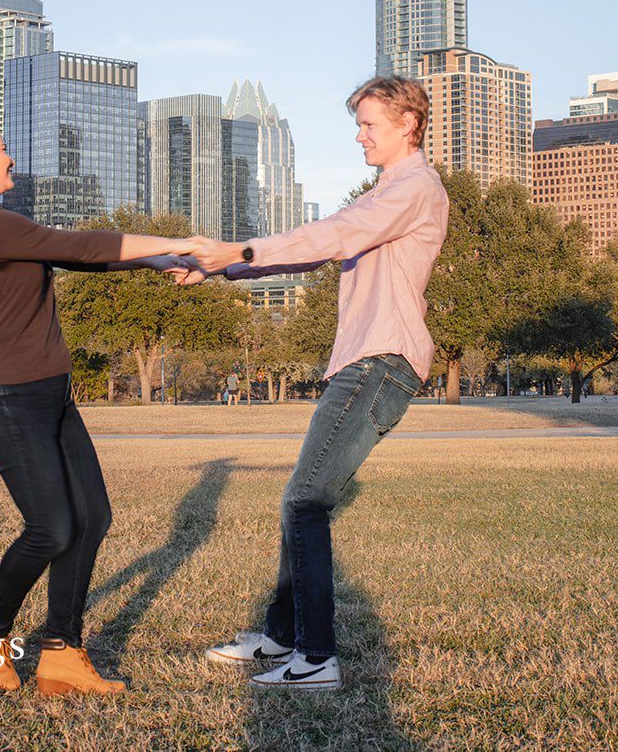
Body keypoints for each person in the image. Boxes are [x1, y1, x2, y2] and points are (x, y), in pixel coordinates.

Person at [0, 120, 202, 696]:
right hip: (5, 398)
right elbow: (80, 244)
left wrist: (154, 262)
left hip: (48, 393)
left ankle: (62, 654)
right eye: (2, 150)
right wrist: (180, 244)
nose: (10, 159)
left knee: (91, 518)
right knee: (52, 528)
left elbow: (76, 257)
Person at [184, 76, 448, 691]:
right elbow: (316, 249)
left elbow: (328, 236)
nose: (360, 136)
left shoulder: (413, 188)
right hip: (367, 361)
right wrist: (225, 269)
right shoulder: (390, 191)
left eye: (369, 125)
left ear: (408, 124)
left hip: (379, 361)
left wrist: (237, 252)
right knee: (302, 501)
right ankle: (282, 636)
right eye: (359, 125)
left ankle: (316, 658)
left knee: (305, 502)